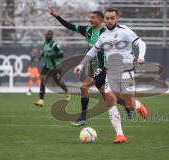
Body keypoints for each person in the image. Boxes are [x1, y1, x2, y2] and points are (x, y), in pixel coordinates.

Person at [73, 8, 147, 144]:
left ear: (117, 18)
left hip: (127, 72)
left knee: (129, 105)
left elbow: (141, 43)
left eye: (112, 18)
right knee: (110, 101)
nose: (110, 20)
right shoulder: (104, 36)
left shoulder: (125, 31)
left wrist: (141, 57)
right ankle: (120, 135)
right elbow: (92, 51)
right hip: (111, 73)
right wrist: (81, 65)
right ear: (105, 19)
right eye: (107, 18)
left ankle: (137, 105)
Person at [49, 8, 132, 126]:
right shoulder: (87, 30)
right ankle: (128, 106)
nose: (89, 20)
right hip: (93, 67)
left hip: (104, 66)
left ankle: (83, 118)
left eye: (92, 18)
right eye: (90, 17)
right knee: (107, 97)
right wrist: (56, 16)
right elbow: (70, 26)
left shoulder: (106, 32)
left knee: (84, 87)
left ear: (100, 19)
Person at [34, 30, 70, 107]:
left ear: (52, 36)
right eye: (47, 34)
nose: (47, 36)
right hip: (47, 65)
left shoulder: (54, 44)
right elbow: (44, 52)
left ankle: (67, 91)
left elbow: (61, 55)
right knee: (42, 79)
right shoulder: (45, 44)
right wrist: (40, 57)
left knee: (57, 82)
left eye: (49, 34)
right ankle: (41, 100)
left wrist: (51, 55)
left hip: (55, 66)